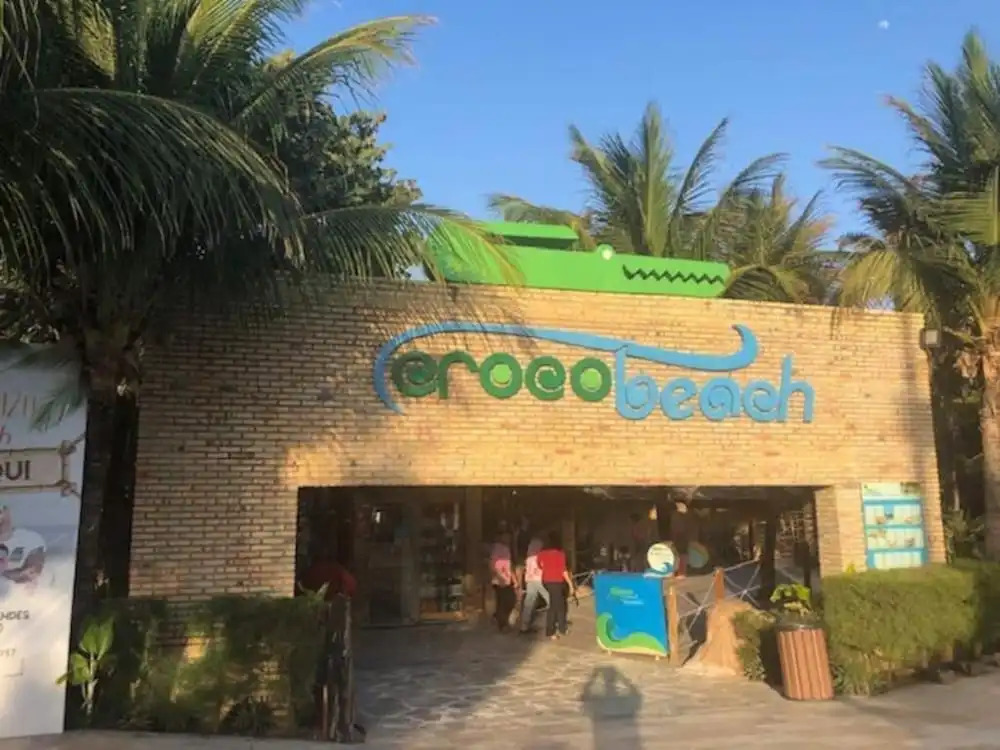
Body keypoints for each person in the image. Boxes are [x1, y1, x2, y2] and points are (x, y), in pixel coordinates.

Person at [0, 504, 46, 597]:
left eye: (0, 512)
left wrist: (6, 576)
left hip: (22, 598)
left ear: (7, 512)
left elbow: (33, 572)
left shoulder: (30, 539)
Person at [538, 531, 575, 640]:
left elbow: (539, 565)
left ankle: (562, 627)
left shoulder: (542, 553)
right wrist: (571, 585)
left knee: (559, 604)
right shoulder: (560, 554)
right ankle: (551, 631)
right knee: (555, 606)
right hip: (556, 581)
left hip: (546, 581)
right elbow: (563, 570)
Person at [519, 533, 549, 634]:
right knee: (550, 599)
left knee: (529, 603)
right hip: (538, 580)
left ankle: (524, 626)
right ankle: (554, 621)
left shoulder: (528, 559)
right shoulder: (540, 557)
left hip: (529, 580)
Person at [490, 530, 518, 632]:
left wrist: (514, 579)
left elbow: (508, 567)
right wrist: (500, 576)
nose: (508, 539)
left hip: (503, 579)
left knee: (505, 601)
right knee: (505, 601)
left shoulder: (503, 549)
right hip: (501, 579)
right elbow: (493, 564)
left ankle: (499, 619)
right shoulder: (500, 549)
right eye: (507, 537)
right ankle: (502, 624)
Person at [670, 501, 691, 578]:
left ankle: (679, 572)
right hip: (681, 538)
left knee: (679, 555)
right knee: (681, 555)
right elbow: (679, 529)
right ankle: (680, 572)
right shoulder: (679, 516)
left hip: (680, 538)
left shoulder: (677, 516)